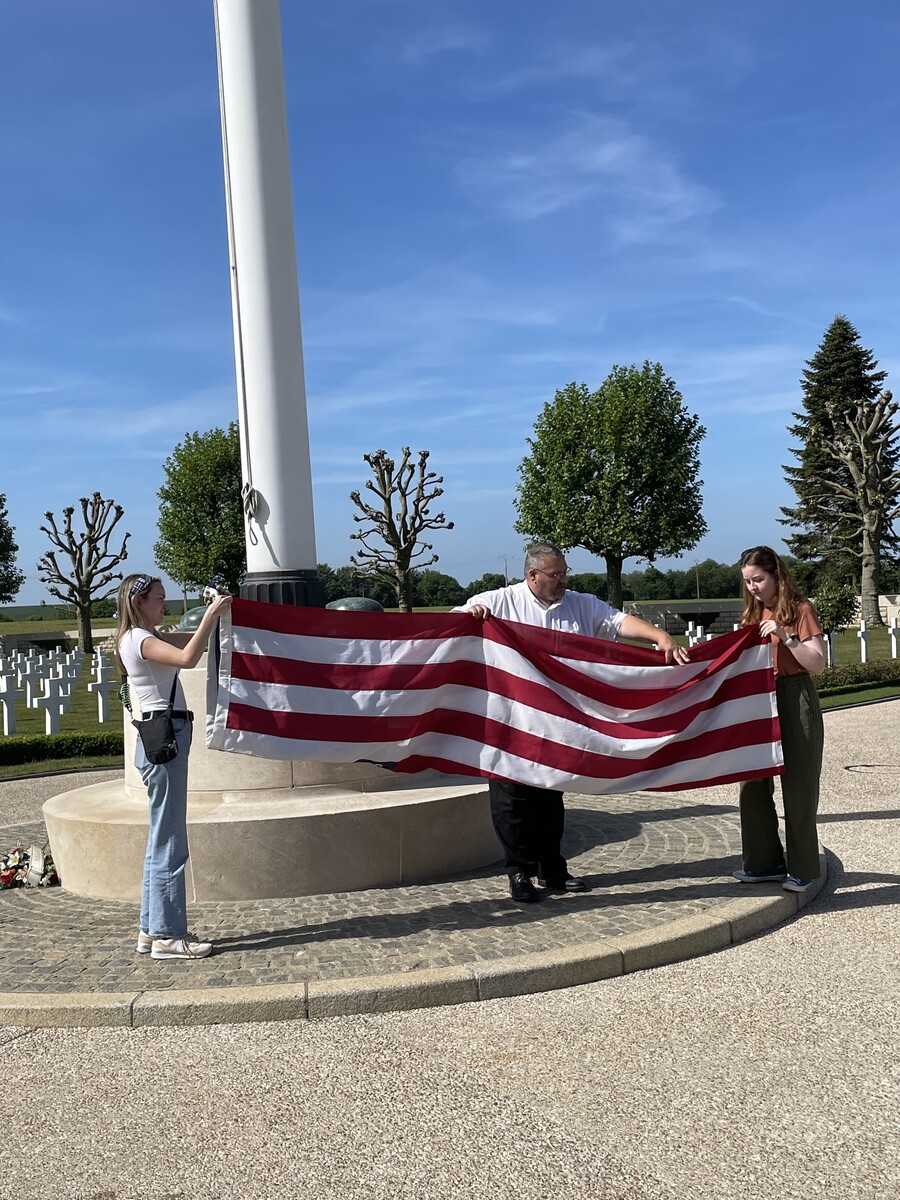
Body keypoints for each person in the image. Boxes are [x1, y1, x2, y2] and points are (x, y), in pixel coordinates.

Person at [455, 543, 690, 903]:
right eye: (556, 575)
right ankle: (518, 870)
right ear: (532, 576)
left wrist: (658, 636)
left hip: (557, 718)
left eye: (565, 573)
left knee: (551, 792)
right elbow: (458, 618)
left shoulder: (580, 603)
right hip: (510, 718)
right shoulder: (502, 601)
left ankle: (552, 868)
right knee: (511, 796)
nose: (563, 579)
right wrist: (471, 612)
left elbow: (616, 622)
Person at [115, 573, 232, 959]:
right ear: (138, 602)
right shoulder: (139, 639)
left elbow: (191, 641)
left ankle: (151, 930)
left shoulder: (146, 637)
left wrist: (216, 616)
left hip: (157, 738)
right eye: (159, 598)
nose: (165, 604)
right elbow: (187, 657)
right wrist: (212, 611)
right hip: (164, 740)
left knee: (160, 837)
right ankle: (168, 936)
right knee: (170, 840)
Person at [733, 546, 826, 893]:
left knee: (799, 785)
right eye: (748, 582)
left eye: (758, 579)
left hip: (794, 694)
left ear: (776, 575)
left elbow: (817, 664)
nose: (753, 587)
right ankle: (763, 862)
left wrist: (785, 636)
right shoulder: (751, 614)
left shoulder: (801, 611)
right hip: (758, 699)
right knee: (751, 783)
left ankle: (803, 867)